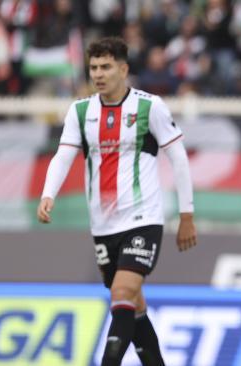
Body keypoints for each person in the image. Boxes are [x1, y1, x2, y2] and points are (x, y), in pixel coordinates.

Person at [36, 37, 197, 366]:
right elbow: (63, 157)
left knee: (121, 293)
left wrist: (186, 215)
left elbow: (178, 159)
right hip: (103, 224)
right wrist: (47, 193)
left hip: (143, 217)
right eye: (93, 67)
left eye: (106, 66)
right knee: (133, 307)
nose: (98, 73)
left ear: (123, 69)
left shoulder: (150, 107)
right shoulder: (80, 111)